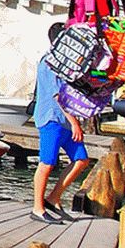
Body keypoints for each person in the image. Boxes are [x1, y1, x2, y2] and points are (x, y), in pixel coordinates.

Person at [30, 23, 90, 223]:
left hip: (65, 119)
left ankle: (54, 197)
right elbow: (57, 96)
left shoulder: (66, 63)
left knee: (81, 159)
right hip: (51, 117)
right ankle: (37, 208)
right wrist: (75, 122)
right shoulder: (49, 61)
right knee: (47, 163)